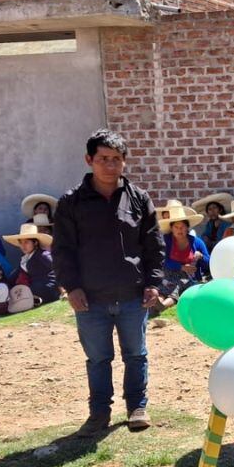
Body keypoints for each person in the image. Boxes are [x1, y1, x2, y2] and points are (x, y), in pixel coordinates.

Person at [54, 129, 166, 434]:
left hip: (132, 295)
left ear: (125, 163)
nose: (110, 165)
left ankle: (137, 407)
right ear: (89, 160)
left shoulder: (139, 199)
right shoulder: (71, 203)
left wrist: (154, 283)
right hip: (90, 298)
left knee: (136, 354)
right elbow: (62, 250)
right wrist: (71, 287)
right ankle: (99, 413)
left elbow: (154, 245)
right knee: (98, 358)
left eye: (117, 159)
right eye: (103, 159)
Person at [159, 200, 209, 302]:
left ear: (187, 228)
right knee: (169, 285)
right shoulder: (166, 240)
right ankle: (158, 302)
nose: (179, 230)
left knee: (180, 286)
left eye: (182, 227)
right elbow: (163, 261)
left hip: (190, 278)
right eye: (176, 227)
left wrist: (201, 257)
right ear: (171, 228)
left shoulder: (197, 242)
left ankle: (163, 304)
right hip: (169, 274)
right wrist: (181, 267)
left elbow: (209, 262)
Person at [4, 223, 59, 305]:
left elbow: (58, 267)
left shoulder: (43, 255)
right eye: (21, 243)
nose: (23, 246)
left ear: (35, 243)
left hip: (48, 288)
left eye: (26, 242)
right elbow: (14, 275)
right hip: (34, 288)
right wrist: (3, 284)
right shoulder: (25, 259)